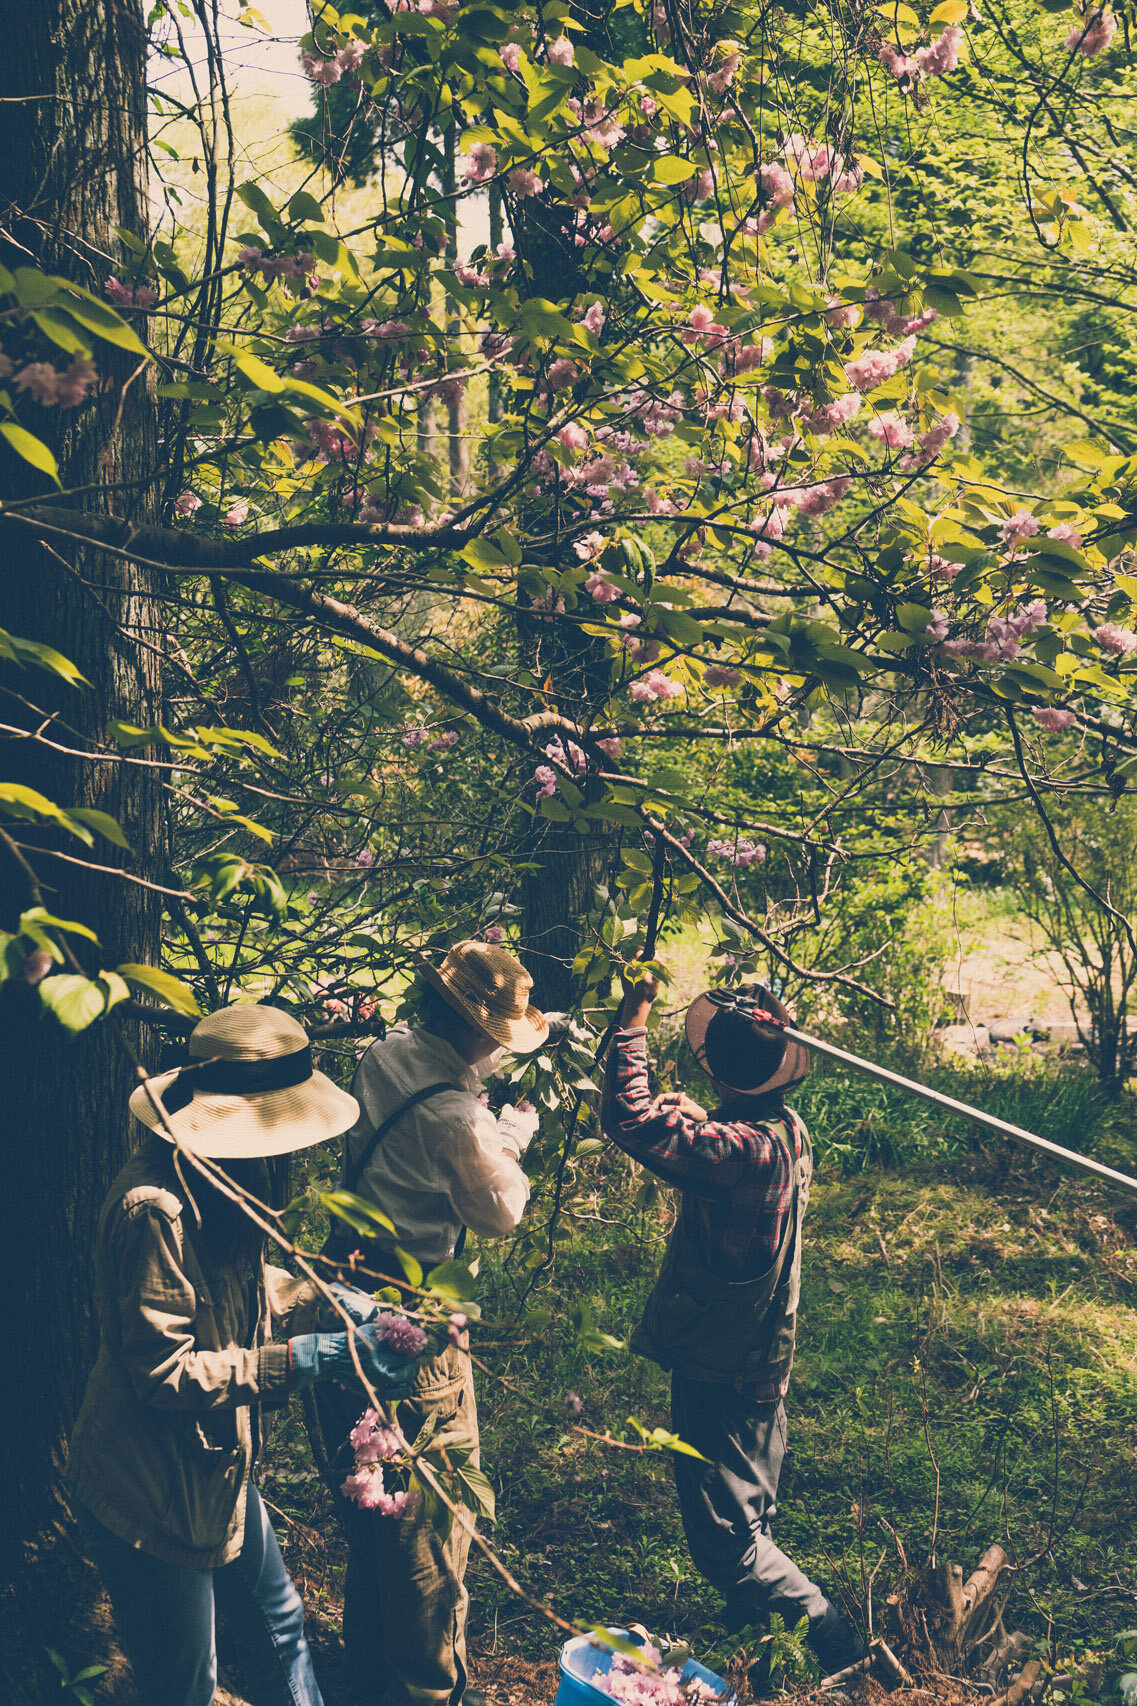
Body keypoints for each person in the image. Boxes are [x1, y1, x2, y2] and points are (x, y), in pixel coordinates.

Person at [68, 1004, 422, 1706]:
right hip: (151, 1495)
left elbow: (234, 1285)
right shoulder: (155, 1210)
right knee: (185, 1686)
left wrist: (330, 1302)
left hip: (219, 1467)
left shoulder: (229, 1179)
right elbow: (164, 1373)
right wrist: (299, 1359)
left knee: (282, 1626)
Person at [601, 969, 865, 1687]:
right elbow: (718, 1146)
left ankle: (840, 1648)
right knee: (748, 1519)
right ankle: (768, 1656)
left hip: (724, 1367)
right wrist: (695, 1118)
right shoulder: (780, 1131)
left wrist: (632, 1019)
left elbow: (628, 1118)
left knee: (730, 1546)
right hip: (755, 1359)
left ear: (716, 1064)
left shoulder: (738, 1151)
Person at [318, 939, 547, 1706]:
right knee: (430, 1522)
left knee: (369, 1503)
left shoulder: (384, 1054)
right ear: (481, 1035)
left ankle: (369, 1672)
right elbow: (500, 1212)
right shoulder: (459, 1117)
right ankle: (426, 1691)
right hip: (412, 1322)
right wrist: (512, 1136)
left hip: (341, 1294)